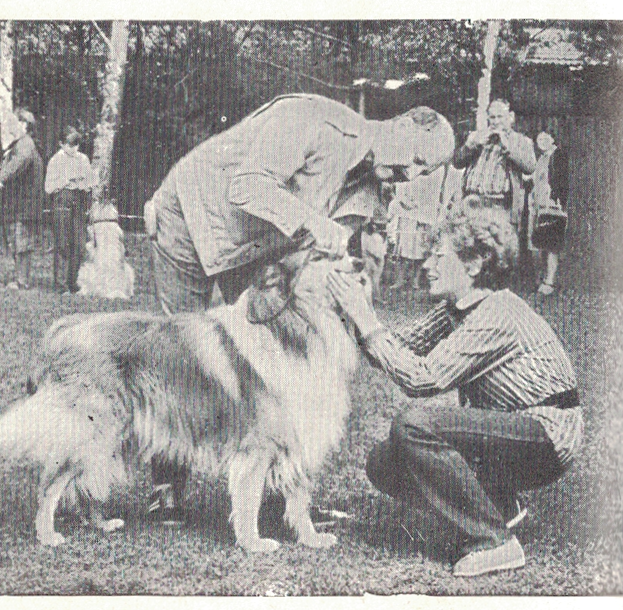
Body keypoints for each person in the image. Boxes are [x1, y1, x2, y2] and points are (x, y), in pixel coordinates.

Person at [143, 94, 455, 522]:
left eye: (424, 172)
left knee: (276, 351)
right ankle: (167, 489)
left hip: (256, 245)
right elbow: (248, 185)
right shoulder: (312, 119)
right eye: (417, 158)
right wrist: (313, 223)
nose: (411, 174)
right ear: (400, 124)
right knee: (176, 355)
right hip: (190, 216)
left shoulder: (372, 191)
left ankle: (280, 487)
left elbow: (319, 262)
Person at [327, 199, 583, 577]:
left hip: (546, 436)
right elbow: (395, 347)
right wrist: (352, 312)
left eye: (438, 256)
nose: (426, 265)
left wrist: (365, 318)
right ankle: (496, 505)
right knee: (385, 461)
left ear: (474, 264)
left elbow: (421, 379)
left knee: (414, 426)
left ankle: (494, 541)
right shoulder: (456, 309)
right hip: (512, 431)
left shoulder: (496, 311)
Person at [452, 99, 536, 234]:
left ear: (510, 117)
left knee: (496, 248)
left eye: (500, 117)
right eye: (492, 117)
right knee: (470, 247)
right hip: (471, 202)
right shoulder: (476, 136)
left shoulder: (521, 140)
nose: (495, 121)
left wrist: (508, 147)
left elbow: (530, 166)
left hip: (499, 205)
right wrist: (473, 145)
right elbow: (457, 162)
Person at [0, 108, 45, 290]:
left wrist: (0, 180)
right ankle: (19, 279)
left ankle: (22, 281)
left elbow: (17, 164)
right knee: (18, 241)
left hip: (24, 204)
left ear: (24, 124)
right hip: (20, 204)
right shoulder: (20, 143)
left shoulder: (25, 145)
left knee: (22, 243)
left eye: (13, 122)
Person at [45, 126, 93, 293]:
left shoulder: (83, 159)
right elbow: (48, 187)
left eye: (77, 145)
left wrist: (83, 183)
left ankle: (74, 282)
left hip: (79, 202)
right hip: (61, 202)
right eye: (70, 145)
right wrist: (65, 181)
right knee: (63, 244)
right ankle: (61, 285)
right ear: (61, 144)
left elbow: (89, 182)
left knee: (79, 245)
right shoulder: (55, 161)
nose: (74, 149)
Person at [385, 166, 446, 290]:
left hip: (426, 211)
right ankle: (400, 278)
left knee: (421, 247)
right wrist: (404, 200)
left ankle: (416, 279)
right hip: (407, 213)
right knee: (404, 246)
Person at [528, 131, 569, 295]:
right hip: (538, 206)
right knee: (539, 243)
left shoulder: (558, 156)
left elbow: (561, 181)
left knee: (551, 244)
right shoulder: (541, 158)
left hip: (552, 206)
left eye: (546, 138)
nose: (542, 142)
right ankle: (541, 279)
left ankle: (549, 281)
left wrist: (557, 199)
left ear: (553, 139)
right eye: (539, 139)